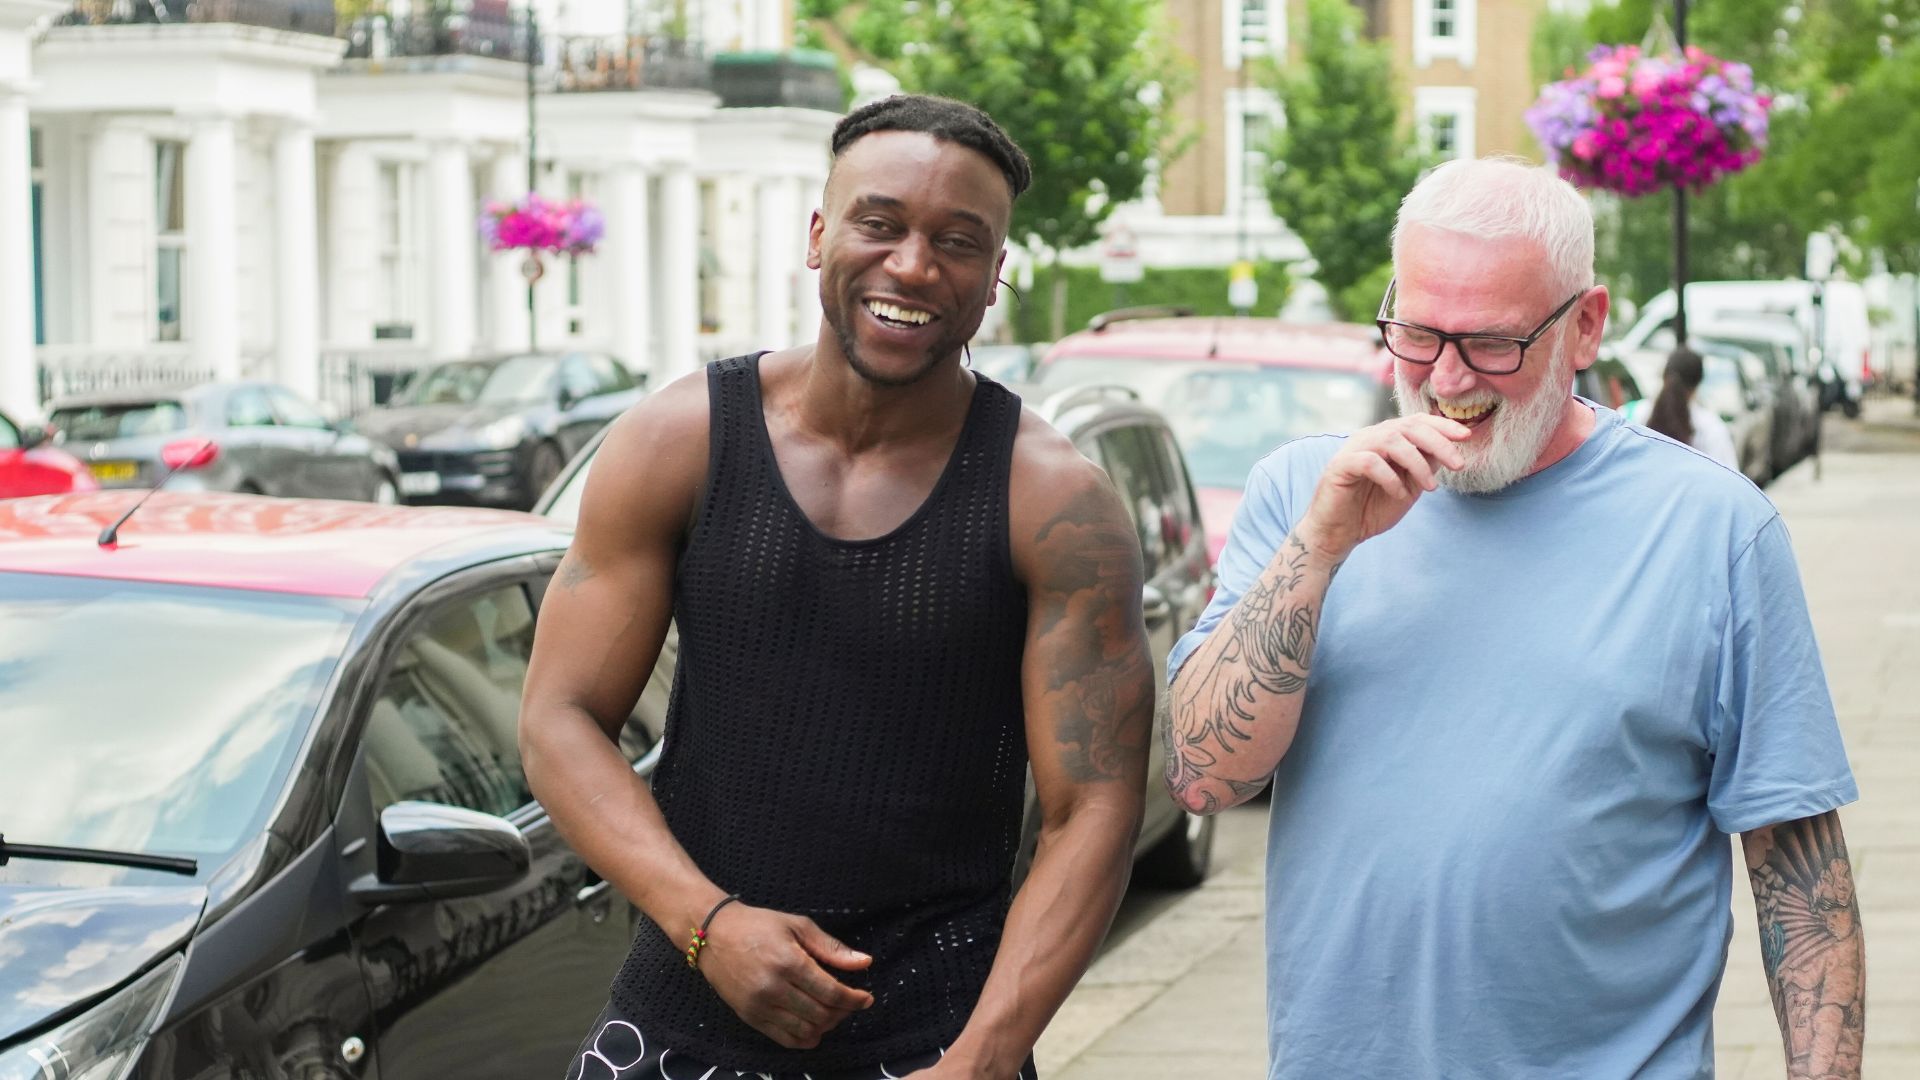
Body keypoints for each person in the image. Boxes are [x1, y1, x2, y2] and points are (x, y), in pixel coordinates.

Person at [1164, 157, 1864, 1079]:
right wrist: (1320, 549)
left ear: (1585, 327)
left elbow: (1801, 876)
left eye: (1492, 342)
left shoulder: (1713, 529)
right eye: (1417, 333)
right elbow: (1204, 779)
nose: (1448, 378)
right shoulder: (1301, 492)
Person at [520, 94, 1154, 1080]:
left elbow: (1093, 812)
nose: (912, 264)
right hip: (675, 1022)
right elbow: (558, 716)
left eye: (958, 240)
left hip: (935, 1045)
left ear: (994, 279)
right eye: (880, 222)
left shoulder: (1054, 503)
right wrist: (709, 927)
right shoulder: (676, 442)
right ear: (819, 236)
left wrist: (981, 1061)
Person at [1624, 345, 1740, 469]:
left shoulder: (1628, 415)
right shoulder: (1711, 429)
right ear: (1697, 385)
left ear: (1663, 375)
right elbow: (1728, 478)